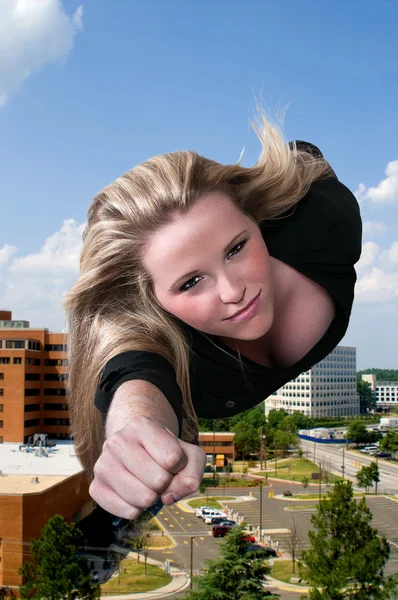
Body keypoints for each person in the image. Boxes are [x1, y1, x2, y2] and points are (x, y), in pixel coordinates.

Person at [64, 112, 362, 520]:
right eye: (190, 282)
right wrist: (133, 426)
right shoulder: (164, 343)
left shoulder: (327, 222)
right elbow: (135, 374)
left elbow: (305, 158)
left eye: (236, 248)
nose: (232, 291)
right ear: (152, 300)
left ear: (256, 222)